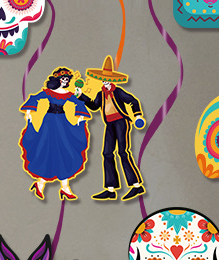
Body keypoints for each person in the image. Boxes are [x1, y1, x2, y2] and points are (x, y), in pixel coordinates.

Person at [79, 55, 146, 201]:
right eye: (103, 79)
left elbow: (133, 101)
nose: (105, 81)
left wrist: (137, 116)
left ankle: (136, 185)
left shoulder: (118, 92)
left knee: (123, 152)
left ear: (112, 80)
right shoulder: (100, 93)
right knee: (107, 153)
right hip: (109, 124)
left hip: (121, 122)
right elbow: (94, 106)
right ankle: (111, 188)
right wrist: (81, 96)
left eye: (107, 79)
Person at [19, 67, 91, 201]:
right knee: (46, 151)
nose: (65, 81)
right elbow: (34, 98)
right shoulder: (48, 92)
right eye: (63, 79)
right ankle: (41, 184)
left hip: (63, 124)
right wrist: (29, 112)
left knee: (64, 152)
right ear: (57, 79)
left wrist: (80, 117)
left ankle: (64, 187)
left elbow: (79, 104)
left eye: (67, 79)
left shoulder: (68, 94)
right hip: (49, 124)